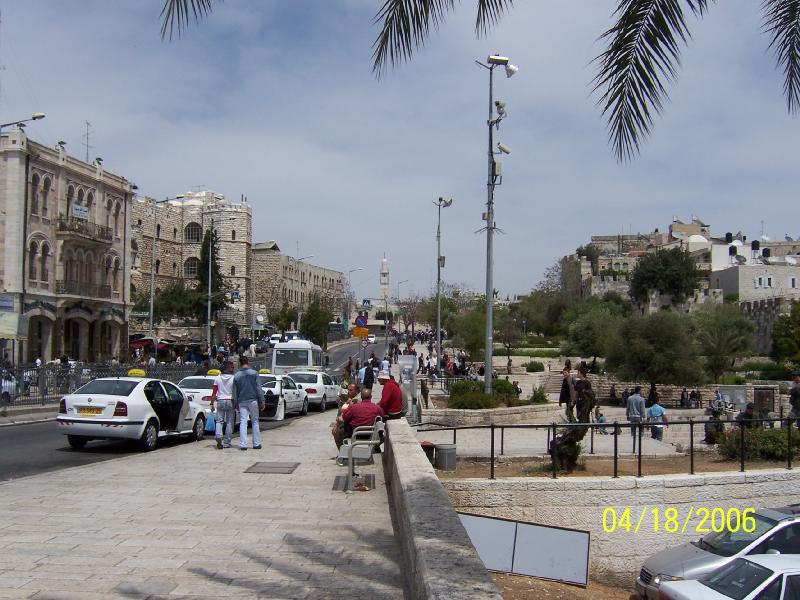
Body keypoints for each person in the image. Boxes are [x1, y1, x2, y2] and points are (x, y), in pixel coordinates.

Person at [233, 355, 265, 450]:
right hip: (253, 400)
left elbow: (234, 391)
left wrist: (236, 403)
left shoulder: (236, 375)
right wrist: (262, 401)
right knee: (255, 421)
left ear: (240, 363)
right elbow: (259, 388)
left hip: (242, 401)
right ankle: (256, 443)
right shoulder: (254, 373)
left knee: (243, 421)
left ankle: (243, 444)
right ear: (248, 362)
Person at [210, 360, 236, 449]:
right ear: (227, 368)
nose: (233, 369)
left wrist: (211, 403)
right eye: (232, 367)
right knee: (229, 422)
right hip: (230, 401)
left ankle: (218, 435)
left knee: (219, 421)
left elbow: (214, 393)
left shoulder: (217, 378)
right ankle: (227, 442)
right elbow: (235, 392)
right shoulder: (234, 378)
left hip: (220, 400)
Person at [332, 383, 360, 449]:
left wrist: (337, 423)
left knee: (337, 433)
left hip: (354, 428)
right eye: (348, 390)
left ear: (357, 391)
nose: (348, 392)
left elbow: (344, 416)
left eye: (351, 390)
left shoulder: (355, 401)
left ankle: (343, 452)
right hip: (353, 426)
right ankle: (344, 451)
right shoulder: (351, 399)